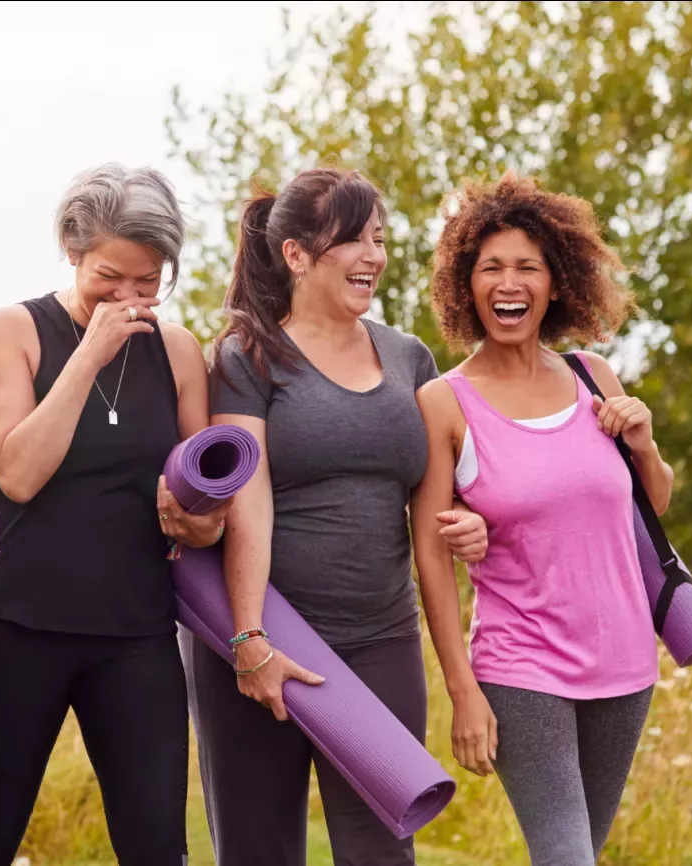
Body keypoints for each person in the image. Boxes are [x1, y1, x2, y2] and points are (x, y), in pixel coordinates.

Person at [183, 167, 488, 866]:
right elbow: (246, 500)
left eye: (378, 238)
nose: (373, 256)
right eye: (352, 239)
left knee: (381, 850)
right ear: (296, 255)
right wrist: (249, 636)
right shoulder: (247, 356)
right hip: (269, 637)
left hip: (380, 640)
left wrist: (472, 523)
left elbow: (433, 499)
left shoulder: (409, 358)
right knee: (261, 852)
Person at [0, 164, 225, 866]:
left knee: (159, 848)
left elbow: (205, 501)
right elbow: (18, 472)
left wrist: (199, 521)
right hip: (11, 627)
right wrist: (90, 354)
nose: (129, 297)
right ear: (72, 252)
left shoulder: (180, 351)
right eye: (110, 275)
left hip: (134, 637)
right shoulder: (12, 332)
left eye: (148, 280)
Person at [412, 171, 671, 866]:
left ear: (556, 283)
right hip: (521, 667)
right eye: (490, 267)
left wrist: (644, 445)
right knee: (567, 858)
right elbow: (431, 556)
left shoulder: (594, 377)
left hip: (626, 664)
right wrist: (462, 691)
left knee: (581, 850)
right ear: (466, 286)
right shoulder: (444, 403)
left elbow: (652, 507)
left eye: (528, 266)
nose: (509, 282)